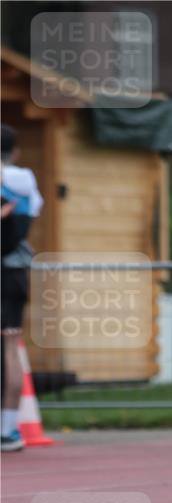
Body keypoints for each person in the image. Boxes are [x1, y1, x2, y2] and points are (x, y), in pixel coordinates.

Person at [1, 123, 43, 452]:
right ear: (13, 151)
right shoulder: (25, 183)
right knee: (10, 346)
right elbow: (35, 212)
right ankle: (8, 429)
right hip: (14, 273)